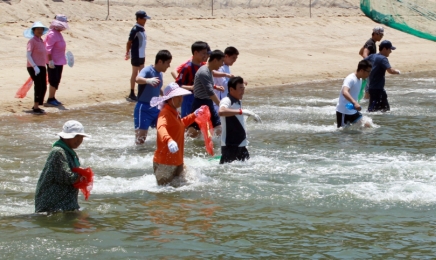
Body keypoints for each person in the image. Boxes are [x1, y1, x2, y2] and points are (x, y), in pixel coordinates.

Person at [150, 82, 206, 185]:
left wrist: (194, 115)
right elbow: (161, 127)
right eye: (178, 97)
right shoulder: (165, 113)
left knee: (193, 184)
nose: (181, 99)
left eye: (181, 96)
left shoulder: (174, 112)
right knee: (164, 195)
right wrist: (169, 140)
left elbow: (180, 124)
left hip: (178, 161)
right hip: (165, 163)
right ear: (170, 99)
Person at [35, 120, 91, 213]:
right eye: (75, 136)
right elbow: (67, 178)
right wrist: (83, 174)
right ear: (66, 137)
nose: (78, 140)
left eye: (81, 137)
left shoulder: (69, 153)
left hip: (64, 205)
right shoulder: (58, 152)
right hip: (52, 206)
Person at [218, 76, 261, 164]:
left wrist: (250, 114)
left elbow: (237, 115)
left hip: (241, 144)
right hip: (230, 145)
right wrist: (242, 112)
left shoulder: (238, 101)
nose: (243, 91)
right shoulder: (227, 100)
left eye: (243, 88)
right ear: (231, 89)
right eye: (240, 89)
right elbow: (221, 111)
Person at [134, 50, 172, 145]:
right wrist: (147, 80)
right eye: (167, 63)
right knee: (140, 140)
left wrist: (167, 98)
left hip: (155, 108)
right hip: (143, 109)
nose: (169, 66)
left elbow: (158, 88)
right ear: (160, 61)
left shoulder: (160, 74)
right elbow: (137, 79)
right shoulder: (148, 70)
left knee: (166, 130)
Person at [187, 50, 226, 137]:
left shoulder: (209, 70)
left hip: (208, 103)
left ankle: (218, 146)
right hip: (200, 104)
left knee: (219, 127)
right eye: (221, 61)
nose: (222, 64)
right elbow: (210, 92)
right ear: (215, 60)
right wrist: (221, 105)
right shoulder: (204, 72)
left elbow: (208, 87)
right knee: (193, 133)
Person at [175, 41, 210, 117]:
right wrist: (191, 87)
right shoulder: (187, 67)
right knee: (188, 121)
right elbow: (177, 85)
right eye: (203, 53)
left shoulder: (203, 66)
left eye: (206, 53)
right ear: (196, 53)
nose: (205, 55)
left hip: (200, 97)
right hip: (188, 98)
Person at [365, 40, 401, 112]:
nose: (390, 52)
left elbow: (362, 63)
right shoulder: (383, 58)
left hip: (372, 88)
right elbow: (390, 71)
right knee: (374, 111)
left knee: (384, 110)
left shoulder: (372, 56)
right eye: (390, 49)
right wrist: (398, 72)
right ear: (385, 49)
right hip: (378, 90)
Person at [336, 60, 373, 128]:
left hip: (353, 111)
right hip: (344, 112)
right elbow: (345, 92)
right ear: (361, 70)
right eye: (368, 71)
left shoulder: (360, 79)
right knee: (343, 133)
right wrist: (355, 103)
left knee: (367, 125)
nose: (369, 74)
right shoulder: (350, 79)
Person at [125, 10, 151, 101]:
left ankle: (141, 93)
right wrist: (127, 53)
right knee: (135, 73)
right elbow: (129, 42)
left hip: (142, 55)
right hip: (136, 55)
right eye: (144, 19)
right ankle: (132, 93)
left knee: (142, 74)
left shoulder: (142, 29)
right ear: (139, 19)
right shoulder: (135, 29)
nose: (145, 21)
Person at [24, 21, 49, 114]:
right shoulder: (32, 41)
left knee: (43, 86)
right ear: (33, 30)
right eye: (37, 29)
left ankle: (38, 104)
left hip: (42, 66)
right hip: (33, 66)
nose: (39, 31)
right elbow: (28, 55)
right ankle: (35, 107)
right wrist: (34, 66)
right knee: (38, 85)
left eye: (41, 29)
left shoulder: (41, 41)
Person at [45, 14, 69, 107]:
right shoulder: (52, 34)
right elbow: (48, 48)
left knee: (57, 79)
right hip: (53, 61)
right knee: (53, 79)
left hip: (59, 61)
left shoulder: (58, 34)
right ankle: (50, 99)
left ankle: (53, 97)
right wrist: (50, 61)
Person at [359, 26, 384, 99]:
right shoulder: (370, 43)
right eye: (380, 35)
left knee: (367, 89)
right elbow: (364, 54)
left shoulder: (370, 42)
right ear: (375, 34)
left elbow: (360, 52)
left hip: (367, 69)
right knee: (368, 90)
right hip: (368, 70)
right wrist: (369, 65)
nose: (381, 37)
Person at [213, 46, 239, 112]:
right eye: (233, 58)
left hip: (224, 99)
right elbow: (224, 84)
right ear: (226, 56)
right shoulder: (220, 67)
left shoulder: (227, 67)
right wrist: (237, 83)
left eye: (236, 58)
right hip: (218, 100)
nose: (234, 60)